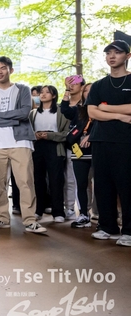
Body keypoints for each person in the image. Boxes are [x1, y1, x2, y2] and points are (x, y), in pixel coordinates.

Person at [0, 56, 47, 233]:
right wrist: (13, 118)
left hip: (20, 142)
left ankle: (30, 220)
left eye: (3, 68)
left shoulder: (22, 89)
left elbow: (25, 113)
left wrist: (0, 115)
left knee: (25, 182)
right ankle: (2, 217)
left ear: (10, 70)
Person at [86, 40, 131, 247]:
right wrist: (119, 115)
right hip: (100, 139)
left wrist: (105, 108)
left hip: (125, 141)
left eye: (117, 52)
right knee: (103, 186)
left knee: (127, 185)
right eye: (108, 53)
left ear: (127, 56)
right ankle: (107, 226)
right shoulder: (98, 85)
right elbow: (92, 112)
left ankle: (129, 231)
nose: (112, 56)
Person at [28, 85, 69, 221]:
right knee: (37, 179)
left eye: (47, 92)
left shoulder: (61, 112)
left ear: (54, 95)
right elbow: (27, 131)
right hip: (37, 146)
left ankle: (58, 212)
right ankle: (38, 210)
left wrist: (50, 135)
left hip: (55, 146)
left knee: (56, 179)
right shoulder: (33, 113)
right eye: (41, 92)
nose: (43, 94)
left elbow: (66, 133)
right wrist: (35, 135)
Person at [61, 82, 94, 228]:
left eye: (91, 90)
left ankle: (106, 216)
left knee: (102, 185)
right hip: (79, 152)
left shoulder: (103, 109)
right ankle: (83, 214)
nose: (88, 93)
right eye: (85, 90)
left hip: (98, 151)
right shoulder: (79, 110)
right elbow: (64, 109)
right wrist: (67, 90)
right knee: (80, 184)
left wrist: (91, 136)